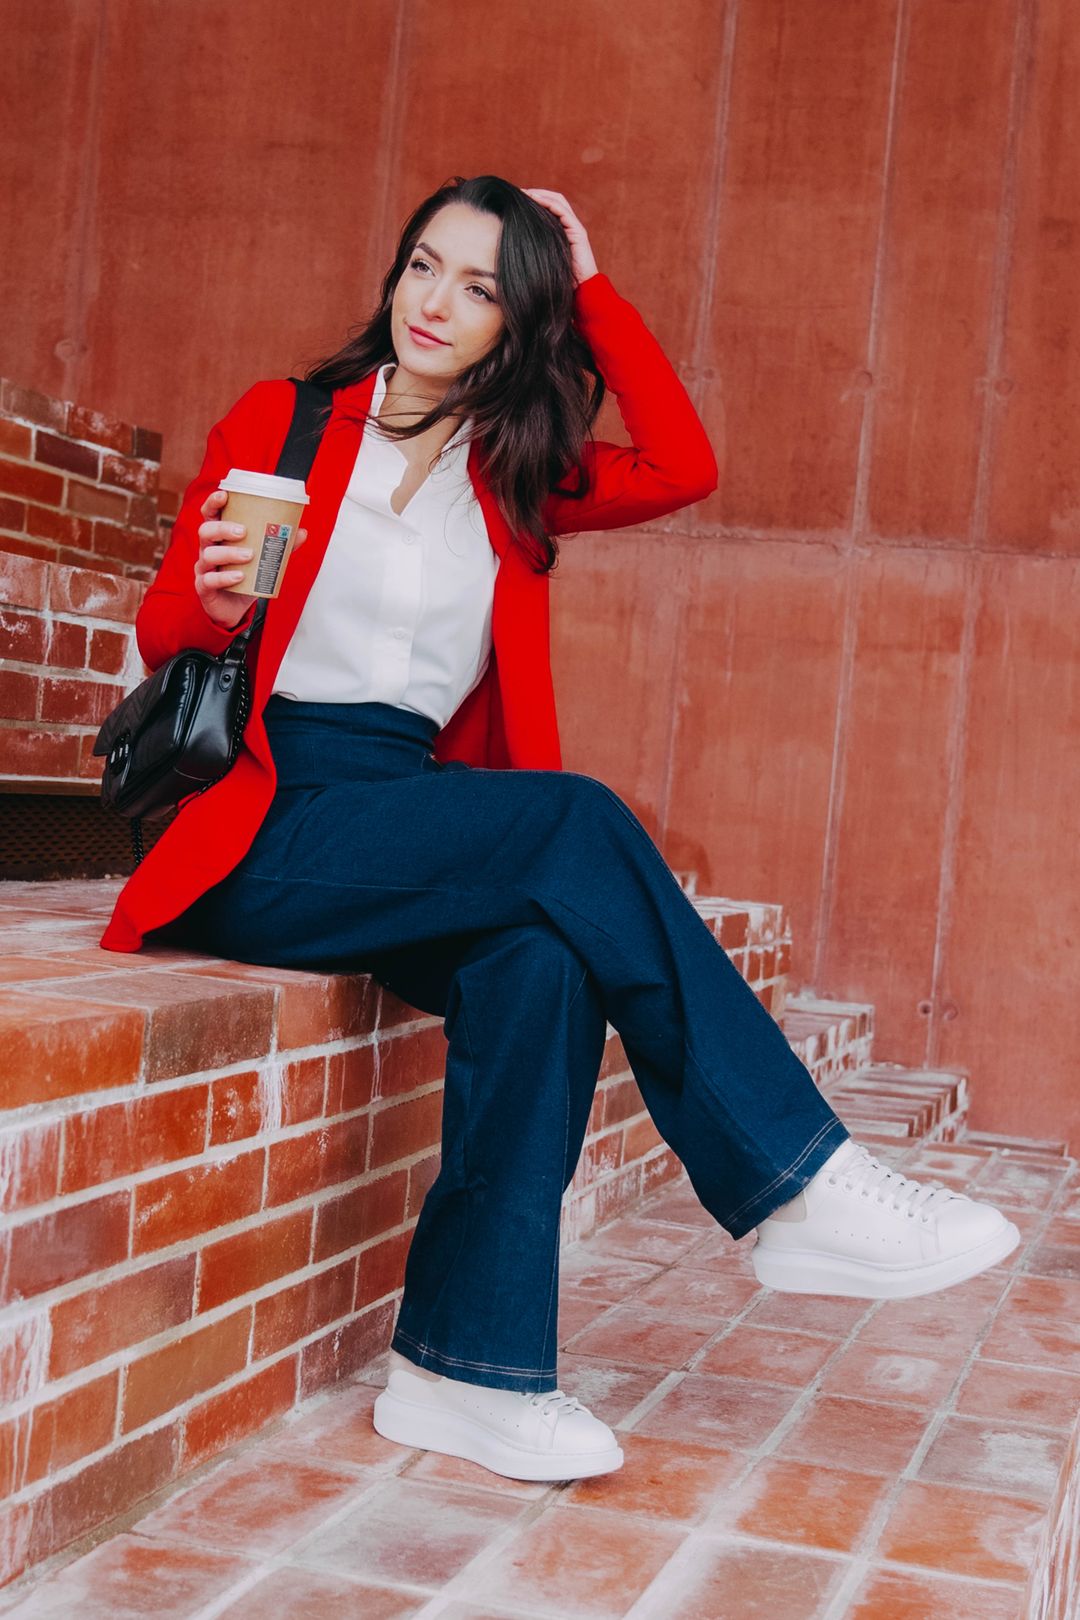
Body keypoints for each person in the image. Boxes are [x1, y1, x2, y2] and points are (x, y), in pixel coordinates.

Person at [103, 175, 1019, 1485]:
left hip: (409, 810)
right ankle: (796, 1180)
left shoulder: (515, 474)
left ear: (519, 319)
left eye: (480, 285)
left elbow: (686, 465)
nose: (435, 302)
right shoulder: (288, 419)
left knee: (538, 962)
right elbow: (165, 632)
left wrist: (590, 286)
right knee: (573, 823)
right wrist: (209, 599)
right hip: (263, 813)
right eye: (424, 265)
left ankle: (464, 1373)